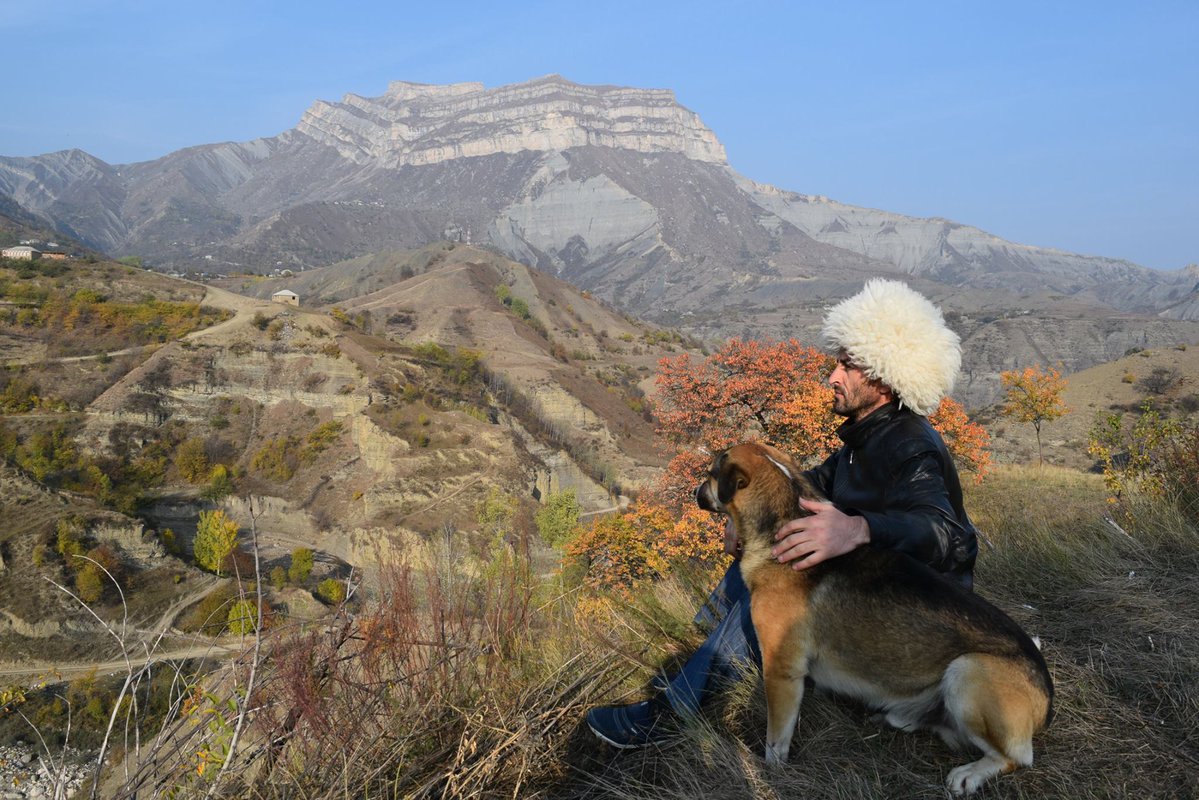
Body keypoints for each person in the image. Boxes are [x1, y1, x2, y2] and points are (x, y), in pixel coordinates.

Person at [586, 279, 981, 748]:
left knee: (778, 583)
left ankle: (672, 714)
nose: (833, 377)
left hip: (912, 615)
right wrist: (739, 518)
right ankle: (700, 651)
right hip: (874, 585)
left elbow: (948, 537)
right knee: (765, 554)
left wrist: (857, 528)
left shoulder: (911, 446)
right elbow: (804, 487)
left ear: (882, 375)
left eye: (847, 365)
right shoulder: (866, 435)